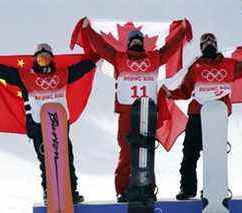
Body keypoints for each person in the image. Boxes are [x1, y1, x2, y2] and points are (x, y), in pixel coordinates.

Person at [81, 17, 192, 202]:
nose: (135, 43)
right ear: (128, 43)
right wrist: (88, 30)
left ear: (142, 43)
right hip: (127, 111)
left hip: (147, 112)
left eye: (138, 41)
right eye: (132, 40)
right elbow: (102, 47)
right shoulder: (119, 58)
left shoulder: (154, 58)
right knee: (126, 151)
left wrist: (181, 31)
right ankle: (123, 190)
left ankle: (147, 187)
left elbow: (170, 48)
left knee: (146, 150)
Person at [0, 43, 97, 204]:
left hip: (60, 125)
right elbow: (2, 71)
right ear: (35, 59)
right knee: (46, 161)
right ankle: (49, 192)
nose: (43, 60)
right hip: (38, 126)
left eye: (46, 57)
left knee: (66, 158)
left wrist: (97, 55)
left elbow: (81, 68)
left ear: (52, 59)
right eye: (40, 57)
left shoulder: (63, 74)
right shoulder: (24, 76)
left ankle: (71, 192)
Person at [163, 33, 242, 200]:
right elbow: (185, 90)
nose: (208, 44)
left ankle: (215, 189)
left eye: (211, 40)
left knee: (216, 154)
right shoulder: (196, 66)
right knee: (190, 152)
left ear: (216, 44)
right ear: (200, 46)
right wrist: (172, 94)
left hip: (217, 116)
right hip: (197, 114)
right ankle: (187, 189)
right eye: (204, 41)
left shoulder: (228, 64)